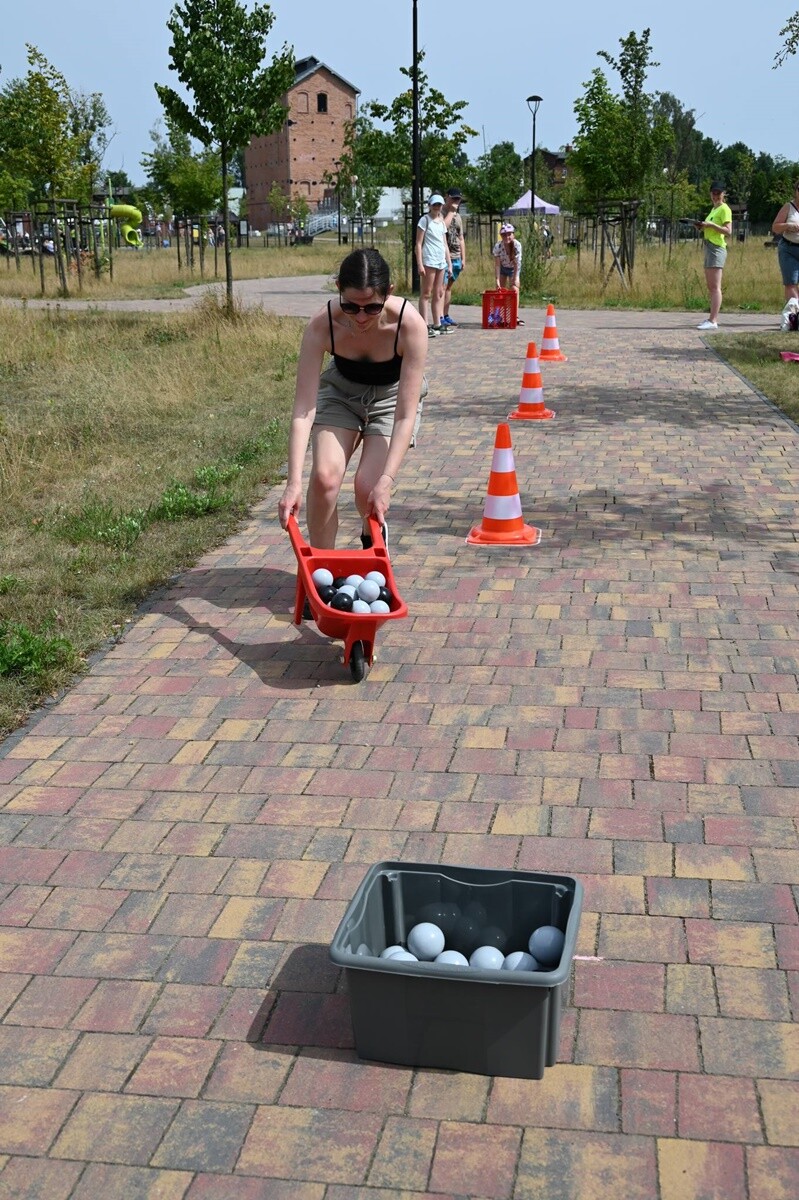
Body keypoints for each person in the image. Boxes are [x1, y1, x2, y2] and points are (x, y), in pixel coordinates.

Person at [278, 248, 428, 553]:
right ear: (338, 290)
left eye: (371, 308)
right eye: (350, 306)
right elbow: (304, 410)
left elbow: (404, 415)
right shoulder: (323, 324)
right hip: (341, 394)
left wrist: (386, 480)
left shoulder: (409, 326)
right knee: (324, 479)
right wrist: (293, 481)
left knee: (367, 487)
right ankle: (321, 567)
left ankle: (370, 539)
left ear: (389, 293)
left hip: (390, 398)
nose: (360, 317)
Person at [693, 182, 732, 330]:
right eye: (713, 193)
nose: (715, 196)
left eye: (718, 193)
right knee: (710, 286)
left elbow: (728, 231)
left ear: (723, 194)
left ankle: (713, 320)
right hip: (709, 246)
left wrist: (710, 226)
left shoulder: (724, 209)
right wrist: (702, 227)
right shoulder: (713, 209)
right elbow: (711, 228)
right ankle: (710, 318)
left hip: (717, 248)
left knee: (715, 286)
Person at [416, 194, 452, 337]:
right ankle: (423, 324)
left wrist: (448, 263)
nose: (437, 207)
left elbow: (444, 244)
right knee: (426, 293)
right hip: (429, 260)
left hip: (440, 261)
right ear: (430, 205)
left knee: (439, 293)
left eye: (439, 205)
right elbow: (418, 244)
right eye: (434, 205)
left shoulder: (441, 222)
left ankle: (437, 323)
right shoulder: (424, 220)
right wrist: (420, 264)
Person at [441, 188, 466, 328]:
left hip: (456, 256)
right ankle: (439, 317)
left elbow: (461, 238)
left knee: (449, 287)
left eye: (458, 199)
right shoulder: (441, 213)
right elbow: (443, 228)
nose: (456, 202)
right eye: (453, 198)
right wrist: (451, 211)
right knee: (442, 287)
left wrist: (464, 258)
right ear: (447, 197)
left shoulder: (458, 217)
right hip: (444, 256)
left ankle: (446, 314)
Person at [771, 180, 799, 304]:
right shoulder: (788, 207)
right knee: (790, 282)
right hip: (789, 249)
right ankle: (795, 314)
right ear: (795, 191)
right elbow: (775, 227)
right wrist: (788, 225)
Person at [493, 223, 522, 294]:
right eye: (504, 235)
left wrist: (515, 279)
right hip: (503, 267)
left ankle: (515, 305)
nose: (507, 237)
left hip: (513, 268)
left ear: (513, 235)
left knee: (514, 288)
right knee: (500, 289)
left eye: (509, 234)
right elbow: (497, 265)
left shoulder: (517, 246)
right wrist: (497, 280)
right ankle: (501, 304)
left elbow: (516, 264)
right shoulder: (498, 246)